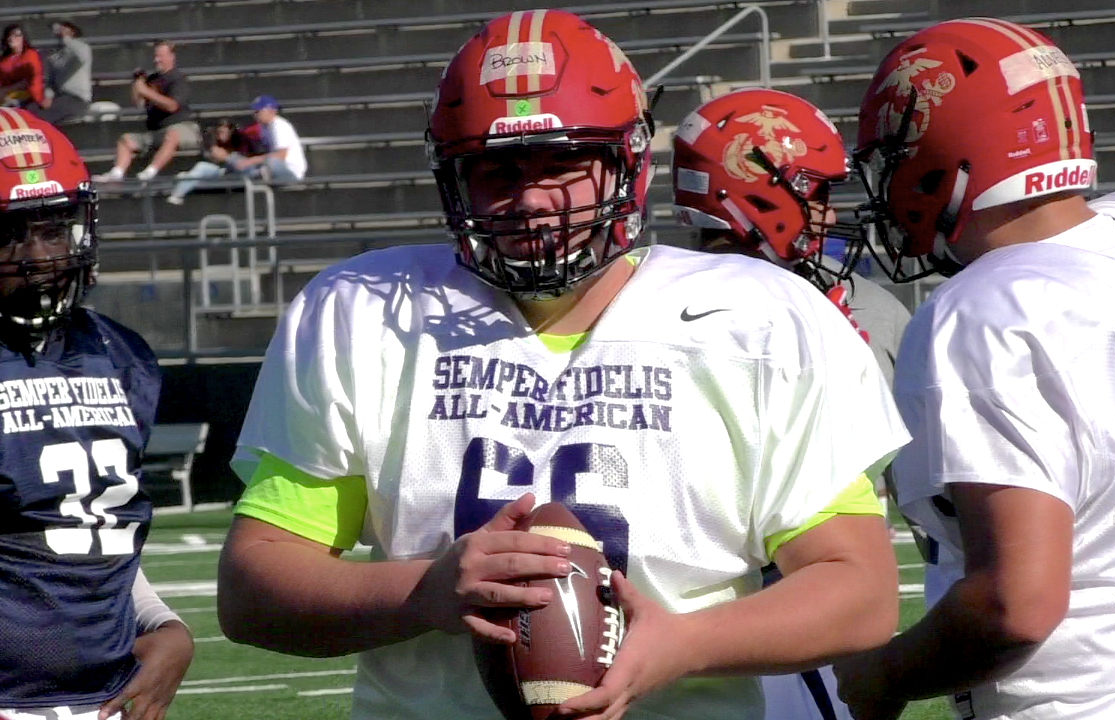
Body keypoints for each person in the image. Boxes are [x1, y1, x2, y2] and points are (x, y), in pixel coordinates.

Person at [217, 9, 907, 720]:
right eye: (498, 170)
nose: (533, 199)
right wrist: (422, 593)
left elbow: (858, 592)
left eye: (564, 164)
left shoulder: (759, 317)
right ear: (453, 179)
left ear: (627, 165)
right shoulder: (367, 311)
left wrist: (682, 644)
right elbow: (255, 588)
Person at [832, 18, 1115, 720]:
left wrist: (882, 675)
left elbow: (1017, 605)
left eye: (896, 157)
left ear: (948, 150)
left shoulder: (981, 313)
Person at [670, 86, 912, 720]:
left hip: (687, 621)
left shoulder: (634, 297)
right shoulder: (839, 313)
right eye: (817, 194)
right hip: (792, 618)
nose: (829, 217)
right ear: (755, 188)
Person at [0, 108, 195, 720]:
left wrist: (163, 623)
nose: (39, 257)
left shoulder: (122, 356)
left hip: (105, 701)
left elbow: (90, 534)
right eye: (11, 233)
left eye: (53, 230)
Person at [93, 41, 200, 183]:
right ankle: (116, 173)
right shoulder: (153, 79)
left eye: (161, 56)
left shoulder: (178, 79)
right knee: (125, 140)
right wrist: (138, 84)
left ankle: (151, 171)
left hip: (182, 128)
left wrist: (146, 92)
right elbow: (138, 103)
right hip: (157, 131)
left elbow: (172, 106)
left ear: (172, 56)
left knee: (171, 135)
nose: (157, 60)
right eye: (155, 56)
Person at [166, 118, 264, 205]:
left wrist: (227, 157)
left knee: (238, 160)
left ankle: (186, 177)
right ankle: (177, 194)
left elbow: (244, 161)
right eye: (221, 127)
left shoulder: (241, 138)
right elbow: (213, 156)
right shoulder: (211, 137)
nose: (223, 129)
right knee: (202, 167)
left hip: (241, 174)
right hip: (221, 173)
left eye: (227, 127)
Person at [225, 95, 306, 184]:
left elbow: (281, 155)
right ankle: (251, 175)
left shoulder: (279, 125)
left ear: (271, 111)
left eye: (258, 111)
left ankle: (253, 175)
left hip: (290, 171)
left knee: (272, 162)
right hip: (269, 166)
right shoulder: (264, 127)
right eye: (254, 111)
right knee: (234, 159)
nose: (255, 114)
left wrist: (250, 161)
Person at [33, 20, 92, 126]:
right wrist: (48, 96)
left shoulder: (83, 48)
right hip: (60, 98)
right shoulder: (55, 57)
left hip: (77, 99)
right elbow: (51, 81)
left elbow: (79, 51)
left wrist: (66, 37)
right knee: (32, 109)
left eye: (65, 27)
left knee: (40, 116)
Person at [0, 25, 43, 111]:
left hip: (27, 96)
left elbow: (32, 79)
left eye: (17, 35)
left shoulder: (30, 55)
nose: (11, 38)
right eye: (9, 35)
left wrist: (7, 90)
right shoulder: (5, 60)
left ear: (24, 38)